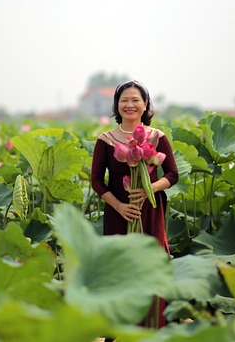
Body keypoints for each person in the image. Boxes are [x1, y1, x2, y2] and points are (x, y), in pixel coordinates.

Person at [90, 80, 178, 330]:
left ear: (145, 104)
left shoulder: (157, 138)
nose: (130, 105)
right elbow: (96, 181)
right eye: (124, 100)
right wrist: (118, 206)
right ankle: (120, 328)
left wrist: (150, 188)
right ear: (117, 106)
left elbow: (172, 174)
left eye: (135, 100)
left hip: (149, 210)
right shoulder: (105, 140)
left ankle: (154, 324)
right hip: (119, 213)